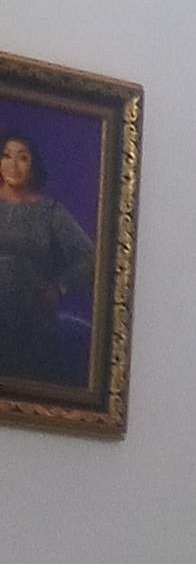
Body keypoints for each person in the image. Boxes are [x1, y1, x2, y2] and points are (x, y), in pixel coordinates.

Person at [0, 132, 94, 387]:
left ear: (33, 166)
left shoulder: (50, 212)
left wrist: (58, 287)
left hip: (30, 324)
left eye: (23, 158)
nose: (13, 165)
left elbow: (89, 257)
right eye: (6, 156)